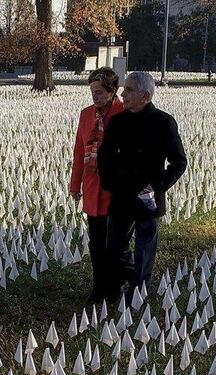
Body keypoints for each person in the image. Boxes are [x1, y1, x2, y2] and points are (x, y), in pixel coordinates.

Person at [97, 70, 188, 302]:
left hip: (147, 198)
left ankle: (138, 295)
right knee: (115, 247)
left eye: (128, 89)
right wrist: (110, 183)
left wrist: (157, 186)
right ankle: (124, 282)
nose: (123, 93)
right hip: (121, 194)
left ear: (145, 95)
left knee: (145, 250)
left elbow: (179, 161)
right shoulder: (117, 122)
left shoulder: (164, 123)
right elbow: (105, 156)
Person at [69, 67, 124, 304]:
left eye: (100, 92)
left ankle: (114, 287)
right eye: (92, 91)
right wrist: (75, 185)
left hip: (116, 188)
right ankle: (98, 286)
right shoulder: (86, 114)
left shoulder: (124, 115)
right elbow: (79, 151)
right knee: (96, 240)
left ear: (113, 92)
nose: (95, 96)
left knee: (116, 241)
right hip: (93, 187)